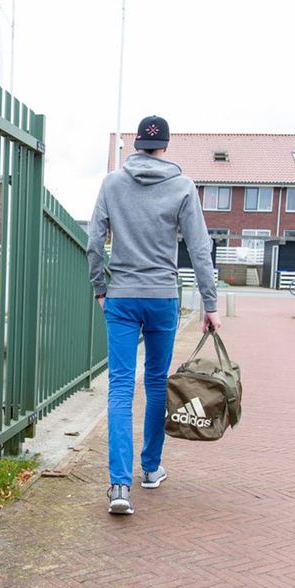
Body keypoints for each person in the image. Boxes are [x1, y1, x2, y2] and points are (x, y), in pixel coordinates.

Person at [87, 115, 221, 516]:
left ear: (135, 146)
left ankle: (118, 486)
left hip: (122, 298)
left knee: (121, 386)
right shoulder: (182, 186)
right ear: (165, 146)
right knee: (158, 383)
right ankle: (149, 469)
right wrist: (210, 304)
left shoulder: (112, 183)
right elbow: (200, 249)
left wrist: (100, 286)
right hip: (163, 297)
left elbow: (95, 240)